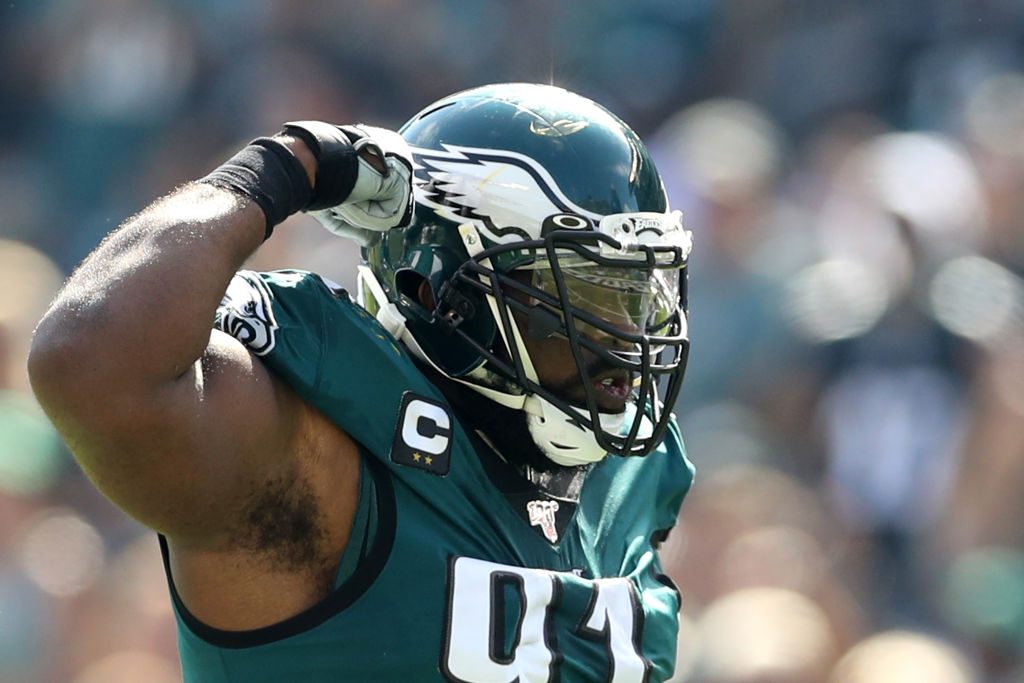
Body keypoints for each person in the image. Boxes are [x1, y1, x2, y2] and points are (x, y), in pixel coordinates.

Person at [28, 83, 695, 682]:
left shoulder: (632, 476)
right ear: (440, 290)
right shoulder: (319, 448)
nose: (627, 337)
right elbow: (87, 359)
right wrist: (286, 167)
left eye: (642, 296)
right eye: (591, 296)